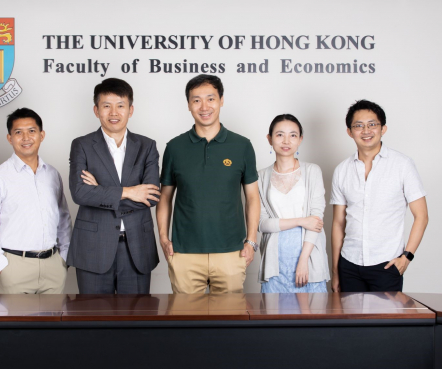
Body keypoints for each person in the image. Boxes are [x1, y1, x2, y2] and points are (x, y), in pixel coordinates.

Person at [156, 74, 260, 294]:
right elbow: (164, 197)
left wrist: (251, 241)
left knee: (229, 324)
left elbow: (252, 197)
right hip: (184, 254)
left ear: (221, 100)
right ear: (188, 105)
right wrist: (164, 239)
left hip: (231, 253)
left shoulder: (242, 146)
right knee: (185, 324)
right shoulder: (174, 147)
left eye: (210, 99)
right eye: (196, 100)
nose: (204, 106)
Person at [68, 78, 160, 294]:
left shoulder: (147, 146)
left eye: (120, 105)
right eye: (106, 106)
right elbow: (80, 193)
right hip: (93, 246)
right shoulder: (81, 145)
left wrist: (99, 190)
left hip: (136, 245)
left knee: (136, 320)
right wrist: (129, 192)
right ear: (96, 109)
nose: (114, 112)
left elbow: (151, 197)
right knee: (93, 319)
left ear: (131, 109)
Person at [330, 100, 428, 292]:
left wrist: (406, 257)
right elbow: (338, 224)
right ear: (350, 132)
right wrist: (336, 271)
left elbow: (422, 216)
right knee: (350, 321)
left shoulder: (403, 165)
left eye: (372, 124)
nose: (366, 131)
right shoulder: (342, 170)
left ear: (383, 128)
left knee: (386, 322)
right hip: (349, 264)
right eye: (358, 126)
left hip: (387, 264)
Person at [0, 108, 71, 294]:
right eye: (18, 132)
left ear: (42, 135)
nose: (26, 137)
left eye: (32, 131)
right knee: (14, 324)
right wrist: (2, 265)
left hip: (52, 267)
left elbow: (63, 219)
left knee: (53, 322)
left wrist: (63, 258)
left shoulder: (52, 174)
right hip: (13, 267)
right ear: (9, 138)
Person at [257, 114, 329, 293]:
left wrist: (304, 260)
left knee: (313, 316)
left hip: (309, 257)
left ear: (300, 139)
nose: (286, 141)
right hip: (275, 261)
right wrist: (301, 221)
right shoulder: (260, 177)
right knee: (274, 317)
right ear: (269, 139)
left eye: (293, 135)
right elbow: (262, 224)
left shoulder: (312, 171)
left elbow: (316, 219)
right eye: (280, 134)